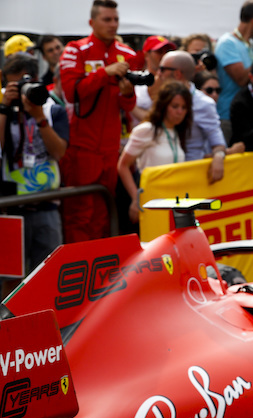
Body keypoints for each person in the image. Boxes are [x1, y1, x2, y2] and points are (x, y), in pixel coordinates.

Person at [59, 0, 137, 242]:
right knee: (80, 216)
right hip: (82, 148)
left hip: (110, 150)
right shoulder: (75, 50)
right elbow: (71, 93)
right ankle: (79, 273)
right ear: (92, 22)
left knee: (104, 214)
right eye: (107, 19)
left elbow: (129, 106)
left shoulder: (128, 54)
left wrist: (127, 93)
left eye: (116, 19)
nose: (113, 24)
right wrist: (105, 72)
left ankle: (102, 272)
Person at [0, 53, 68, 298]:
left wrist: (39, 117)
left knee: (48, 278)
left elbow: (59, 151)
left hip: (46, 204)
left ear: (36, 79)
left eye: (24, 84)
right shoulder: (3, 109)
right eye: (14, 85)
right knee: (10, 281)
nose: (21, 91)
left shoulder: (53, 109)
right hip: (11, 207)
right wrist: (5, 108)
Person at [118, 81, 192, 224]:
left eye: (184, 107)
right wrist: (136, 198)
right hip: (151, 203)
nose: (180, 112)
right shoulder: (147, 129)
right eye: (175, 106)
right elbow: (123, 165)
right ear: (163, 106)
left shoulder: (177, 131)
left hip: (173, 203)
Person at [158, 50, 238, 178]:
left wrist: (218, 158)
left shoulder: (204, 104)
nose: (159, 73)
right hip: (161, 172)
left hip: (189, 174)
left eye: (162, 69)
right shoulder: (159, 95)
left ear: (177, 74)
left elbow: (217, 141)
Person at [215, 0, 253, 130]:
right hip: (228, 116)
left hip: (249, 114)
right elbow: (241, 79)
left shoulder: (250, 45)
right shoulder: (227, 43)